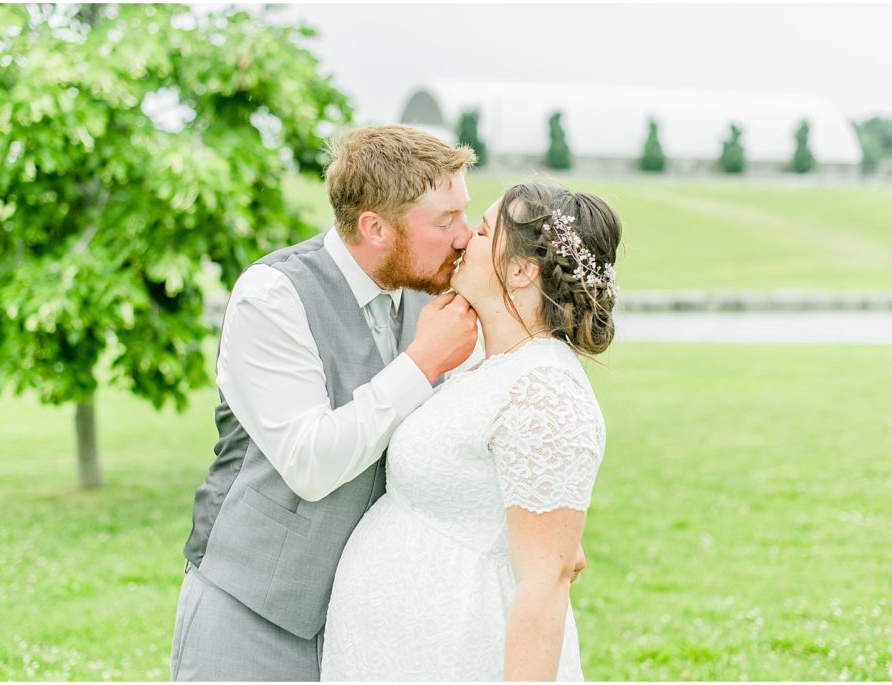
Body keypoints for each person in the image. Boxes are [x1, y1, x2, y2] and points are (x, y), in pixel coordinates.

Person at [170, 125, 483, 681]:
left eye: (464, 213)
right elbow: (310, 464)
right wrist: (420, 365)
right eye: (445, 220)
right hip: (252, 611)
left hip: (371, 625)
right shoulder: (271, 296)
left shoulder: (430, 295)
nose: (465, 236)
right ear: (375, 228)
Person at [321, 182, 621, 681]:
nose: (462, 240)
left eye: (482, 231)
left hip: (461, 650)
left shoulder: (544, 391)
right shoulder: (487, 365)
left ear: (522, 270)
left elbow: (545, 583)